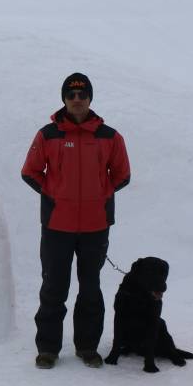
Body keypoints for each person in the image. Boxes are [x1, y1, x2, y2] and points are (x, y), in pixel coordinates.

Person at [21, 72, 131, 370]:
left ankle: (87, 347)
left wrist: (101, 194)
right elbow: (30, 171)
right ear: (64, 99)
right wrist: (55, 194)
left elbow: (122, 175)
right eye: (71, 95)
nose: (77, 100)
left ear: (90, 98)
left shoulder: (109, 137)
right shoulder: (48, 135)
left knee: (90, 288)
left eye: (82, 95)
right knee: (53, 288)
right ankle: (48, 349)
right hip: (57, 226)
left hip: (96, 227)